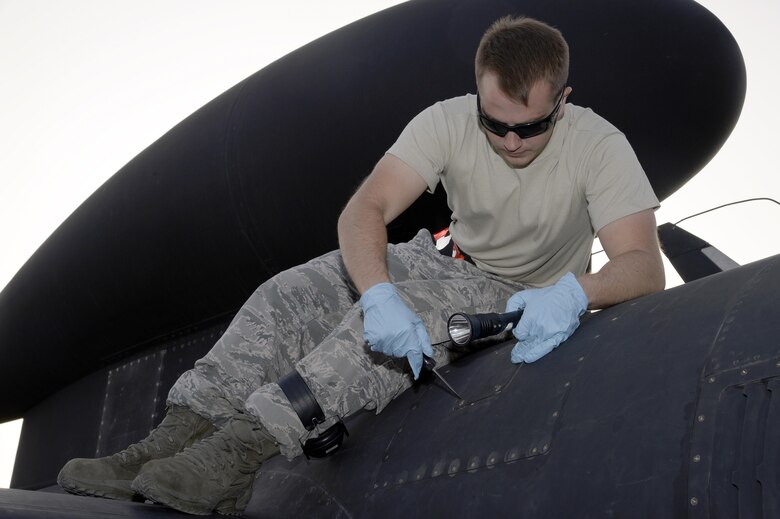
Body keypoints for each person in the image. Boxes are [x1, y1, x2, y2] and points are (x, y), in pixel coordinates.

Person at [57, 15, 664, 516]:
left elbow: (643, 265)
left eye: (529, 127)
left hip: (519, 294)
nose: (509, 142)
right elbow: (365, 209)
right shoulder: (447, 121)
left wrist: (574, 294)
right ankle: (171, 438)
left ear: (563, 101)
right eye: (494, 122)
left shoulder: (600, 147)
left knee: (390, 334)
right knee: (286, 295)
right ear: (478, 95)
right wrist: (376, 293)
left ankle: (240, 453)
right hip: (442, 258)